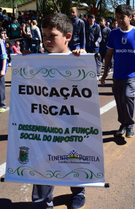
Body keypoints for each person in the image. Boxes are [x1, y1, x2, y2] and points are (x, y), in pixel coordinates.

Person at [30, 13, 86, 209]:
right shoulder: (38, 61)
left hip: (71, 123)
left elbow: (87, 94)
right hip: (45, 123)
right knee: (42, 158)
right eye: (44, 35)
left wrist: (81, 60)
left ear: (67, 37)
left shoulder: (79, 60)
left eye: (52, 35)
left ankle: (78, 191)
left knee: (72, 156)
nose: (46, 40)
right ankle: (42, 201)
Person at [100, 4, 135, 138]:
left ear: (131, 17)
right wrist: (104, 74)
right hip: (118, 74)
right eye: (117, 17)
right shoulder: (113, 33)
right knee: (119, 100)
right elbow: (109, 54)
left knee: (127, 96)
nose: (119, 20)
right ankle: (123, 124)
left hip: (133, 73)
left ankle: (130, 125)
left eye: (123, 17)